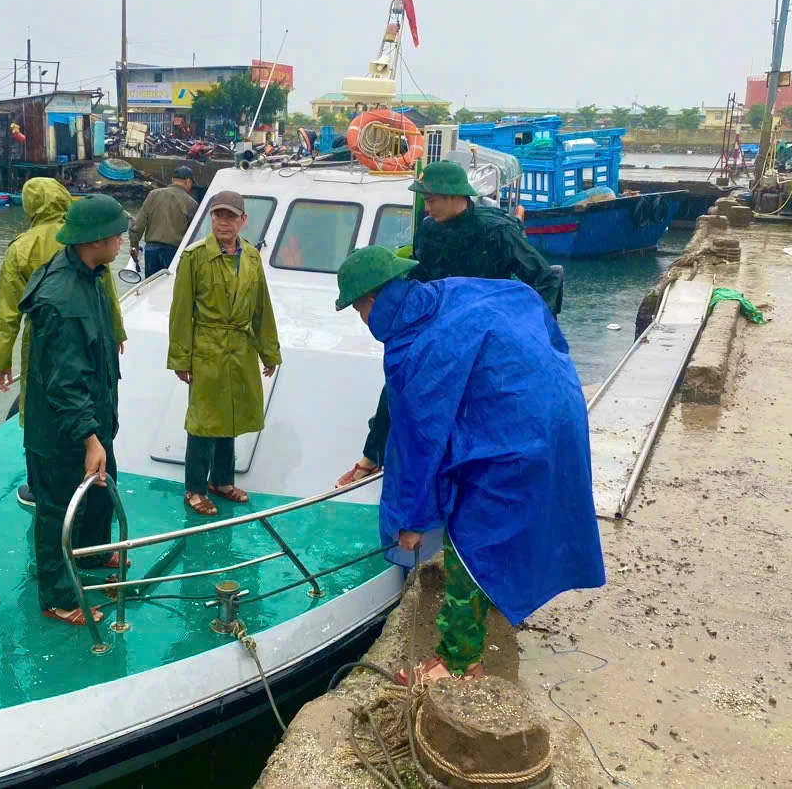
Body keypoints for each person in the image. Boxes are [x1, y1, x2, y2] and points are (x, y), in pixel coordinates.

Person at [334, 246, 605, 682]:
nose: (363, 323)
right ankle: (491, 604)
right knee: (510, 523)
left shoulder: (416, 344)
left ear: (371, 301)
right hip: (558, 409)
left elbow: (420, 443)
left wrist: (411, 521)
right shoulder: (453, 293)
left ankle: (459, 662)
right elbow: (528, 300)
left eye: (359, 311)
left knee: (472, 538)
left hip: (513, 435)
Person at [341, 160, 563, 486]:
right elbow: (422, 275)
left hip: (486, 331)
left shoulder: (497, 231)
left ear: (455, 196)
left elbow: (544, 278)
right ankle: (373, 456)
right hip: (441, 325)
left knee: (482, 405)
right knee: (400, 378)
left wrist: (533, 333)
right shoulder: (429, 230)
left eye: (431, 200)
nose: (427, 207)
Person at [19, 195, 131, 627]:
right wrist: (88, 438)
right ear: (96, 239)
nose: (122, 239)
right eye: (117, 233)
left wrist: (98, 431)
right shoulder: (62, 298)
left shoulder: (89, 275)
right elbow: (63, 383)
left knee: (102, 488)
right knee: (58, 509)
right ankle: (58, 595)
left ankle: (96, 552)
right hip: (63, 432)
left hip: (92, 420)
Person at [0, 177, 127, 508]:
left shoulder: (21, 247)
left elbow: (8, 311)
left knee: (39, 413)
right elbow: (105, 288)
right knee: (91, 402)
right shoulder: (87, 235)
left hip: (43, 340)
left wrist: (1, 360)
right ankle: (92, 488)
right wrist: (117, 332)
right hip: (94, 335)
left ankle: (40, 486)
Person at [167, 189, 281, 516]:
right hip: (207, 348)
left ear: (243, 220)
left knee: (230, 418)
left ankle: (221, 480)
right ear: (210, 219)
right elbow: (180, 312)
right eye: (218, 215)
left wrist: (268, 352)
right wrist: (180, 358)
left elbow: (261, 308)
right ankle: (194, 488)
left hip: (240, 349)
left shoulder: (252, 257)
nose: (223, 222)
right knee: (203, 422)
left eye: (230, 216)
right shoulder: (193, 257)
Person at [129, 165, 198, 277]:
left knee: (151, 287)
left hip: (151, 250)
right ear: (188, 181)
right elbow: (193, 235)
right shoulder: (192, 204)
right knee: (169, 289)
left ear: (172, 180)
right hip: (173, 252)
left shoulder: (154, 194)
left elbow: (139, 223)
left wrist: (134, 245)